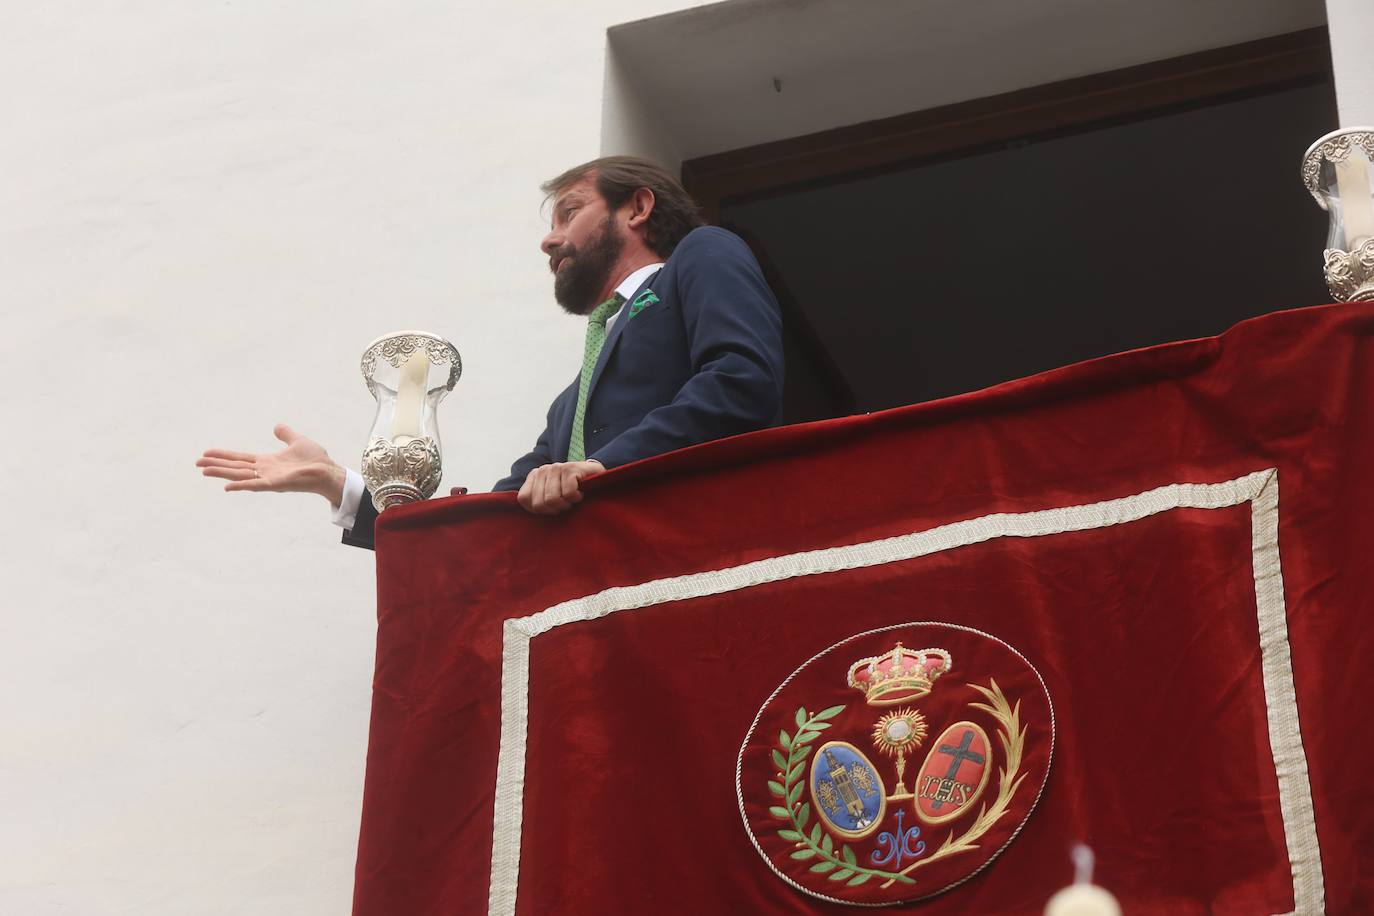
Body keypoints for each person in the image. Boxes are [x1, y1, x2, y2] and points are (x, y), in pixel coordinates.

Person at [197, 156, 784, 546]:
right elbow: (491, 523)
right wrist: (341, 485)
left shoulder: (702, 255)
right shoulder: (568, 410)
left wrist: (599, 468)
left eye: (570, 212)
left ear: (637, 207)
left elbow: (740, 379)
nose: (548, 239)